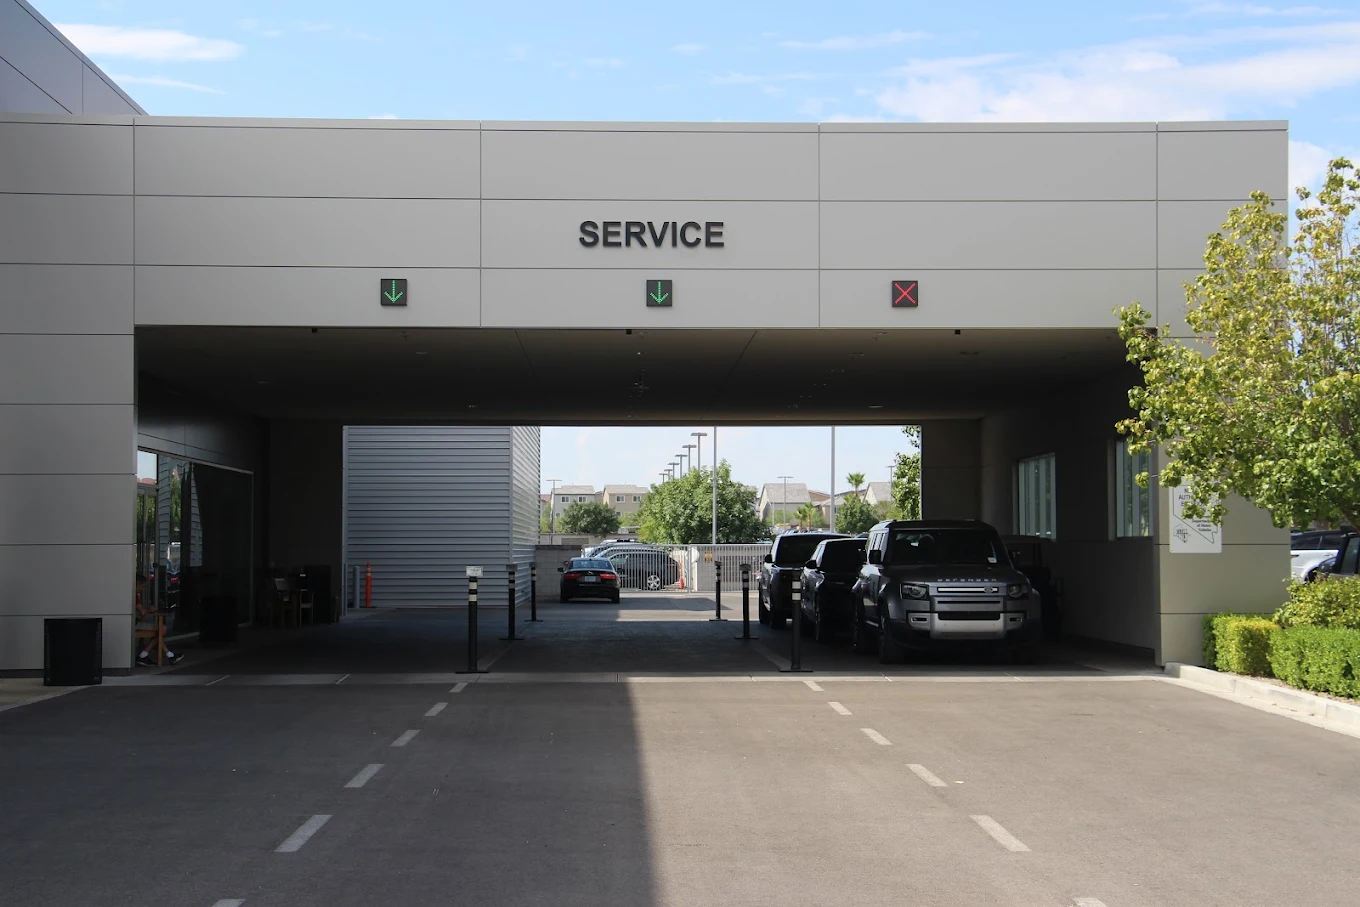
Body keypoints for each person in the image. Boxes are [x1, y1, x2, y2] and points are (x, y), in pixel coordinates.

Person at [135, 573, 181, 666]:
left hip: (135, 622)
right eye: (142, 587)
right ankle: (145, 655)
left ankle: (167, 655)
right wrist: (149, 609)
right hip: (135, 624)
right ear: (138, 584)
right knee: (162, 629)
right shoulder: (135, 595)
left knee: (159, 631)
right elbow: (143, 612)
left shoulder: (135, 595)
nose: (142, 589)